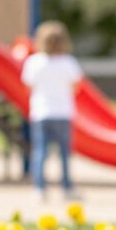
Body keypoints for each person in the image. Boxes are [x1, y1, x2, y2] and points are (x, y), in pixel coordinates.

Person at [21, 21, 83, 202]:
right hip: (63, 113)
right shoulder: (68, 62)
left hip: (40, 113)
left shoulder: (34, 62)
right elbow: (76, 85)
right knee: (64, 153)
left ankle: (39, 189)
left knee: (40, 151)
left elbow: (28, 86)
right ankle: (66, 188)